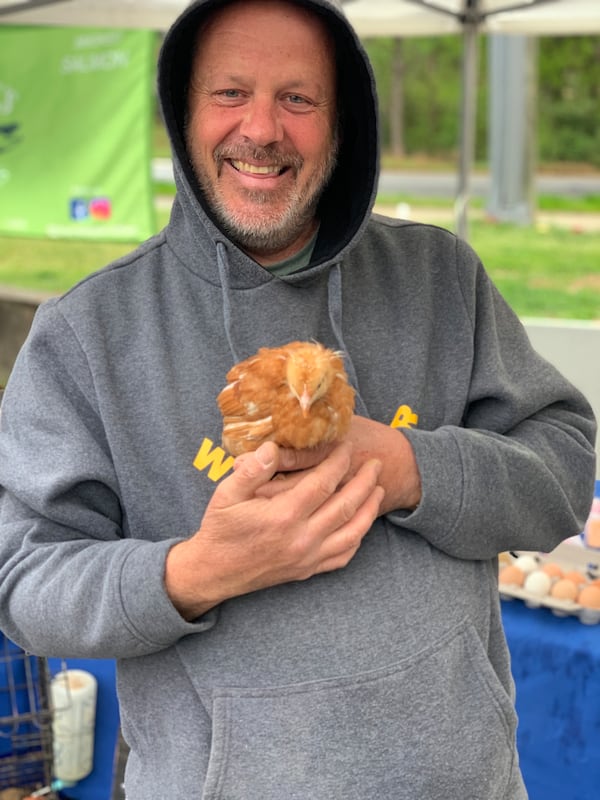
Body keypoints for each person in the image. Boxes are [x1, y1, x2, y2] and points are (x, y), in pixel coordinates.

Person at [0, 1, 596, 797]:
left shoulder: (440, 278)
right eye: (229, 94)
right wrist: (198, 570)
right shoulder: (89, 333)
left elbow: (564, 465)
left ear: (343, 120)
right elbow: (26, 582)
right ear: (182, 115)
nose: (262, 129)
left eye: (298, 98)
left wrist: (405, 466)